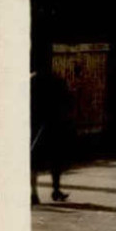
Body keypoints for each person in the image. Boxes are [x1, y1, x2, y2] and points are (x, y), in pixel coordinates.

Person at [30, 64, 73, 205]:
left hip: (35, 124)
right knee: (55, 159)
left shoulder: (30, 81)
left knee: (33, 161)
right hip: (53, 124)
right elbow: (67, 101)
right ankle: (55, 190)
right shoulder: (56, 80)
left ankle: (34, 193)